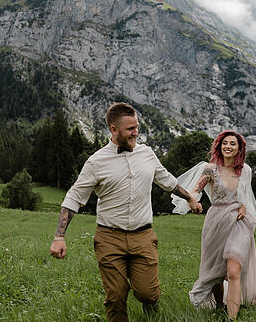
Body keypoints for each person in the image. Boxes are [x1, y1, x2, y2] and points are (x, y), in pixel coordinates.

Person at [49, 102, 203, 322]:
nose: (136, 132)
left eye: (136, 127)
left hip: (143, 236)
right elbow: (73, 198)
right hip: (109, 238)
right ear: (113, 129)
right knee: (116, 297)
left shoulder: (147, 154)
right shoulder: (96, 162)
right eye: (130, 129)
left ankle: (151, 308)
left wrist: (190, 198)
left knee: (147, 293)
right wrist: (59, 237)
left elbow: (167, 181)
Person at [172, 130, 256, 320]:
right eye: (225, 143)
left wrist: (244, 207)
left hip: (238, 222)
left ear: (239, 149)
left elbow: (246, 196)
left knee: (234, 270)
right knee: (216, 272)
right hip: (216, 221)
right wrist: (193, 201)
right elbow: (195, 191)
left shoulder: (245, 170)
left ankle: (231, 318)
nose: (228, 146)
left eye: (232, 144)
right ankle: (220, 306)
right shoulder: (210, 169)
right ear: (220, 146)